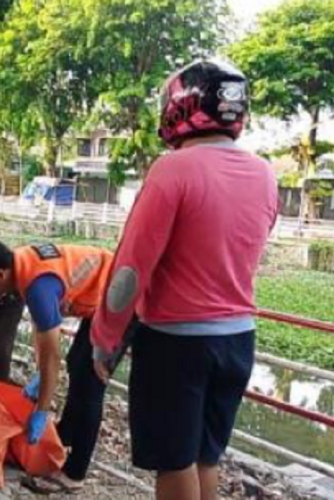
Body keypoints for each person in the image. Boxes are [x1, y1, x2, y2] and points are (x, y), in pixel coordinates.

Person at [91, 59, 278, 500]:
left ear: (180, 105)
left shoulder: (173, 169)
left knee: (173, 463)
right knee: (204, 458)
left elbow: (131, 270)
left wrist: (106, 336)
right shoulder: (266, 175)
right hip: (238, 340)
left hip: (177, 344)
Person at [0, 238, 115, 493]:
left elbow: (51, 355)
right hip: (103, 294)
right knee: (78, 362)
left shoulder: (37, 285)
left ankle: (74, 474)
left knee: (90, 382)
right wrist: (38, 372)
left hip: (119, 299)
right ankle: (62, 436)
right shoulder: (21, 263)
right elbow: (42, 331)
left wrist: (42, 409)